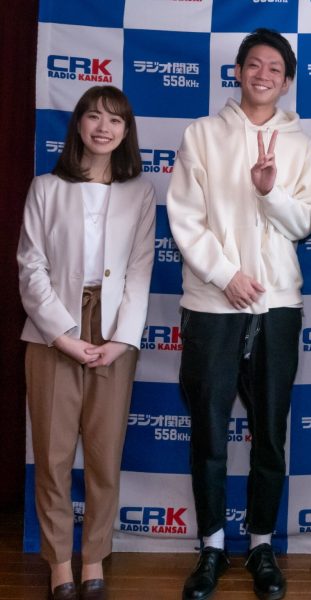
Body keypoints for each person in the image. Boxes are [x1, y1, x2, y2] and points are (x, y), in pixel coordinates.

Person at [166, 28, 311, 600]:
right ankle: (211, 546)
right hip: (212, 305)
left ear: (286, 81)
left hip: (277, 307)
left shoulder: (301, 145)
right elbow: (185, 218)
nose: (263, 75)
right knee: (209, 432)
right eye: (254, 64)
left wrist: (269, 192)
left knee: (270, 436)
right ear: (237, 71)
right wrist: (225, 275)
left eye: (275, 69)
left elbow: (306, 220)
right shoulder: (202, 135)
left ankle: (261, 545)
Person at [18, 85, 155, 600]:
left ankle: (94, 555)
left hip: (114, 330)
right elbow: (30, 266)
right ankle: (59, 561)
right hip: (53, 331)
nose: (104, 127)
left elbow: (140, 269)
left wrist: (121, 339)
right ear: (78, 124)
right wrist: (63, 334)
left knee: (104, 452)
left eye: (115, 120)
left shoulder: (139, 192)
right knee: (53, 454)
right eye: (94, 116)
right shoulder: (46, 188)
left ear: (126, 131)